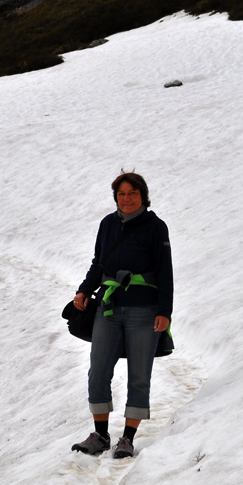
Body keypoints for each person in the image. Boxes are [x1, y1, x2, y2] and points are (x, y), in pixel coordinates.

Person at [71, 172, 173, 458]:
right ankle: (100, 435)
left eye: (133, 193)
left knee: (139, 375)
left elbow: (165, 272)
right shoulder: (107, 225)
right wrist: (84, 290)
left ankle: (127, 439)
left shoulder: (155, 227)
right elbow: (98, 263)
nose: (126, 199)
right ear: (115, 197)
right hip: (109, 306)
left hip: (145, 310)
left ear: (143, 196)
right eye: (121, 194)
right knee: (98, 370)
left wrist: (165, 311)